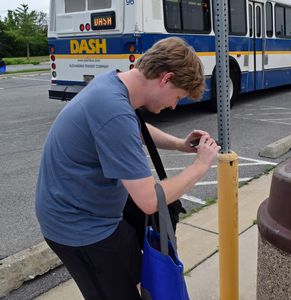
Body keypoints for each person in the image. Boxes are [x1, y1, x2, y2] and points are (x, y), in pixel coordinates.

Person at [35, 37, 220, 300]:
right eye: (177, 97)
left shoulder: (113, 83)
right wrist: (200, 165)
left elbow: (133, 129)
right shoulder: (113, 109)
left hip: (95, 212)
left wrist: (179, 144)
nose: (174, 105)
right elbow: (148, 200)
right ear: (165, 79)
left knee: (140, 282)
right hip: (80, 228)